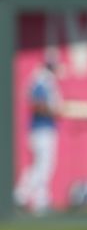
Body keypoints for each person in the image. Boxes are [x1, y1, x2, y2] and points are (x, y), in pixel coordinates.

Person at [14, 57, 62, 215]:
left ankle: (41, 200)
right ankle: (20, 196)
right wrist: (54, 111)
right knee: (42, 166)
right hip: (41, 130)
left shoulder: (46, 81)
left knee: (43, 166)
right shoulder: (41, 80)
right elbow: (37, 104)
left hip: (44, 129)